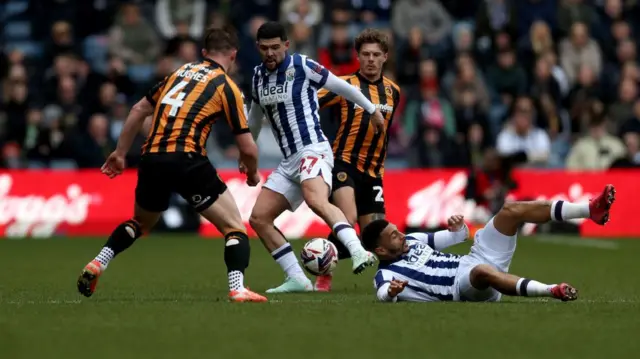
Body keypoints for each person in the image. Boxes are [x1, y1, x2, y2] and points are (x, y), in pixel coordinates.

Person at [77, 26, 267, 303]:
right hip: (188, 158)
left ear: (203, 53)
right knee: (234, 228)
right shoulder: (227, 86)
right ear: (234, 55)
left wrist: (119, 152)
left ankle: (99, 261)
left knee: (140, 223)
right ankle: (238, 288)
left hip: (152, 157)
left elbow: (138, 109)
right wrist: (251, 173)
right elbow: (248, 147)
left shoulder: (178, 73)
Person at [246, 21, 386, 293]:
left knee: (315, 199)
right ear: (258, 48)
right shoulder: (257, 77)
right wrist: (246, 151)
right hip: (289, 162)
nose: (270, 53)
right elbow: (254, 120)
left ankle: (357, 250)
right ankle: (298, 278)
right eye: (265, 48)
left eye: (276, 47)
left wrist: (371, 109)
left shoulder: (302, 65)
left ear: (286, 45)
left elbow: (342, 87)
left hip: (313, 149)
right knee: (259, 218)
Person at [361, 185, 616, 303]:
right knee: (482, 272)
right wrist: (392, 292)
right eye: (394, 236)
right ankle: (551, 290)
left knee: (510, 210)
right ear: (380, 250)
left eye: (398, 230)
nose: (402, 235)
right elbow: (383, 294)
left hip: (473, 258)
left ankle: (589, 209)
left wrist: (457, 226)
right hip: (461, 287)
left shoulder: (413, 240)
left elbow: (457, 237)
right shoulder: (387, 274)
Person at [313, 29, 401, 292]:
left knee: (377, 237)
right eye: (365, 54)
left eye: (376, 54)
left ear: (385, 57)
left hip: (374, 173)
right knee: (347, 216)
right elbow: (309, 105)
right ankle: (323, 274)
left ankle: (389, 283)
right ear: (358, 56)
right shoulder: (344, 85)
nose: (371, 59)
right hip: (344, 164)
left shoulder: (393, 92)